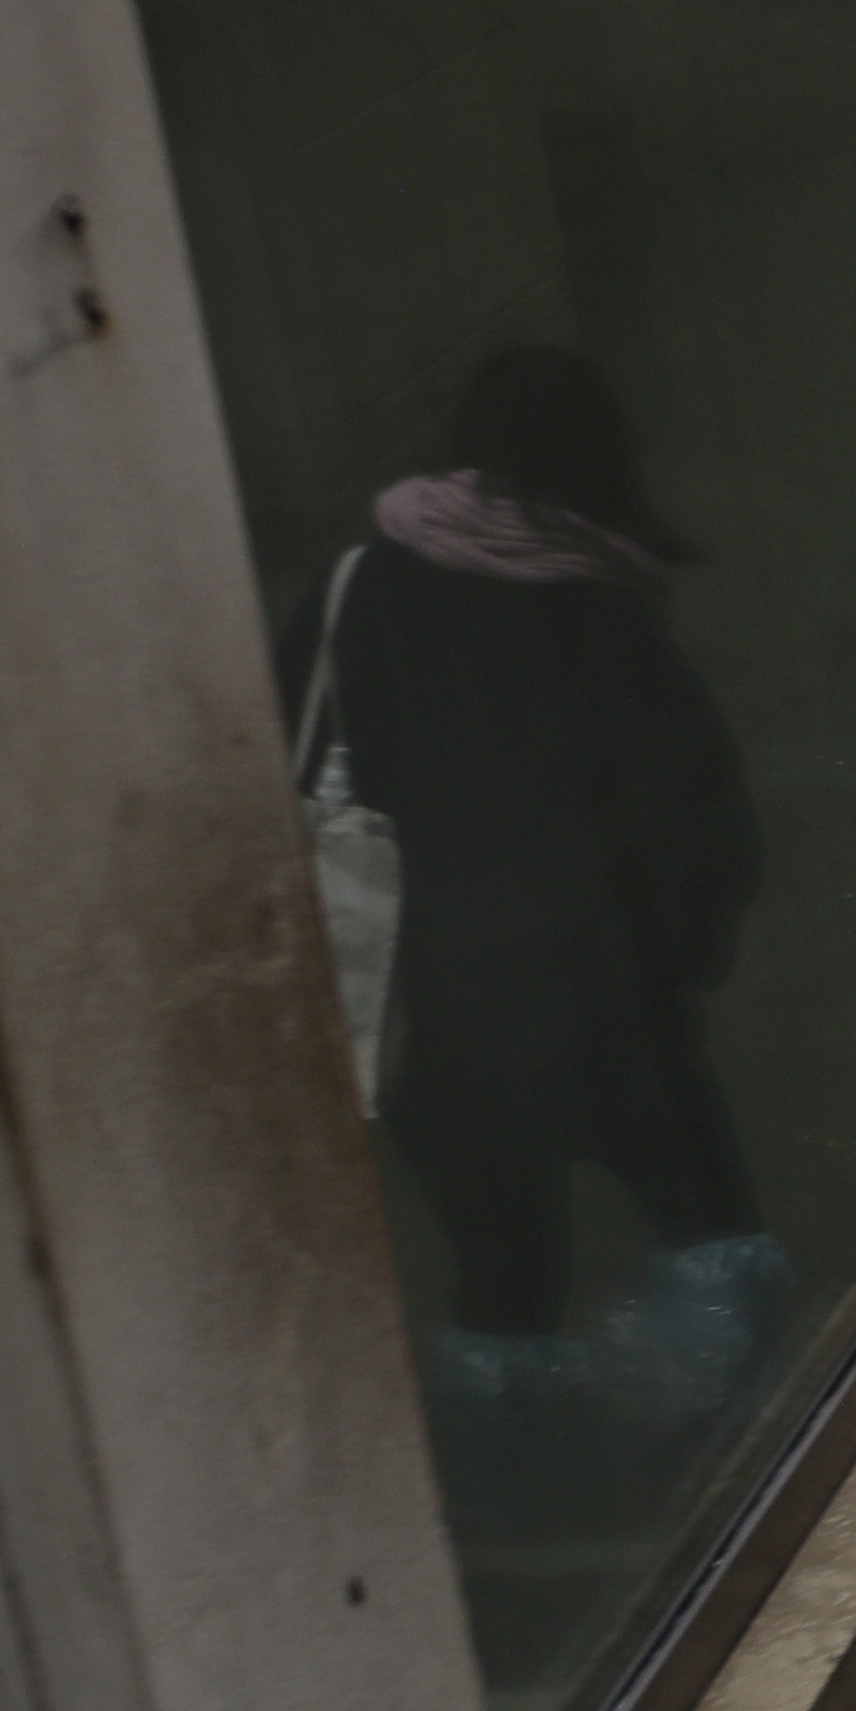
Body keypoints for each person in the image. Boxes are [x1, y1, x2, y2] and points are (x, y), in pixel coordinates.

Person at [322, 345, 778, 1429]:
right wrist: (684, 963)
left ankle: (507, 1478)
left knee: (507, 1274)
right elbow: (702, 826)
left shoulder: (352, 588)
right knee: (713, 1237)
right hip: (602, 1005)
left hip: (432, 1018)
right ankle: (690, 1457)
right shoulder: (603, 619)